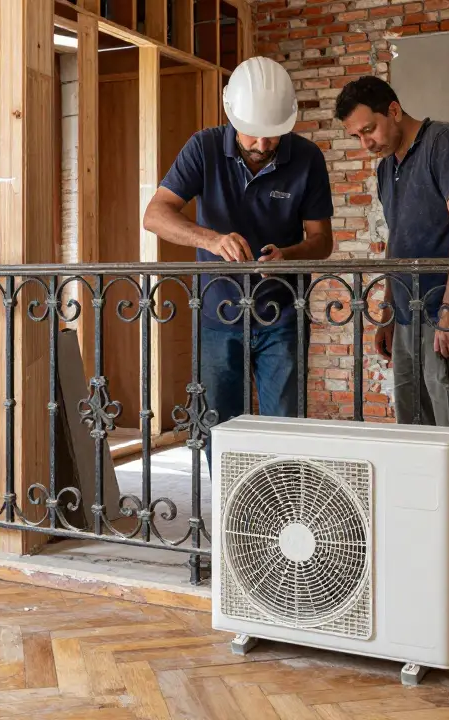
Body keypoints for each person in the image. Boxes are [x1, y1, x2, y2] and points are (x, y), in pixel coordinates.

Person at [335, 76, 449, 569]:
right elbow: (398, 243)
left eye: (370, 130)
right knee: (414, 427)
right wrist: (387, 313)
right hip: (407, 315)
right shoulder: (389, 168)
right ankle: (431, 532)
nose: (366, 143)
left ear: (394, 109)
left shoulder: (445, 142)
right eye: (357, 137)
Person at [143, 57, 334, 472]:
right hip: (216, 313)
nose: (264, 146)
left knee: (285, 425)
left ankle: (281, 521)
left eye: (274, 136)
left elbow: (322, 241)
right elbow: (155, 215)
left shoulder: (306, 158)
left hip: (283, 313)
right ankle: (233, 521)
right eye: (255, 135)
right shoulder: (203, 147)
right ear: (232, 115)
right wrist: (211, 239)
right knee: (219, 426)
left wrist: (289, 256)